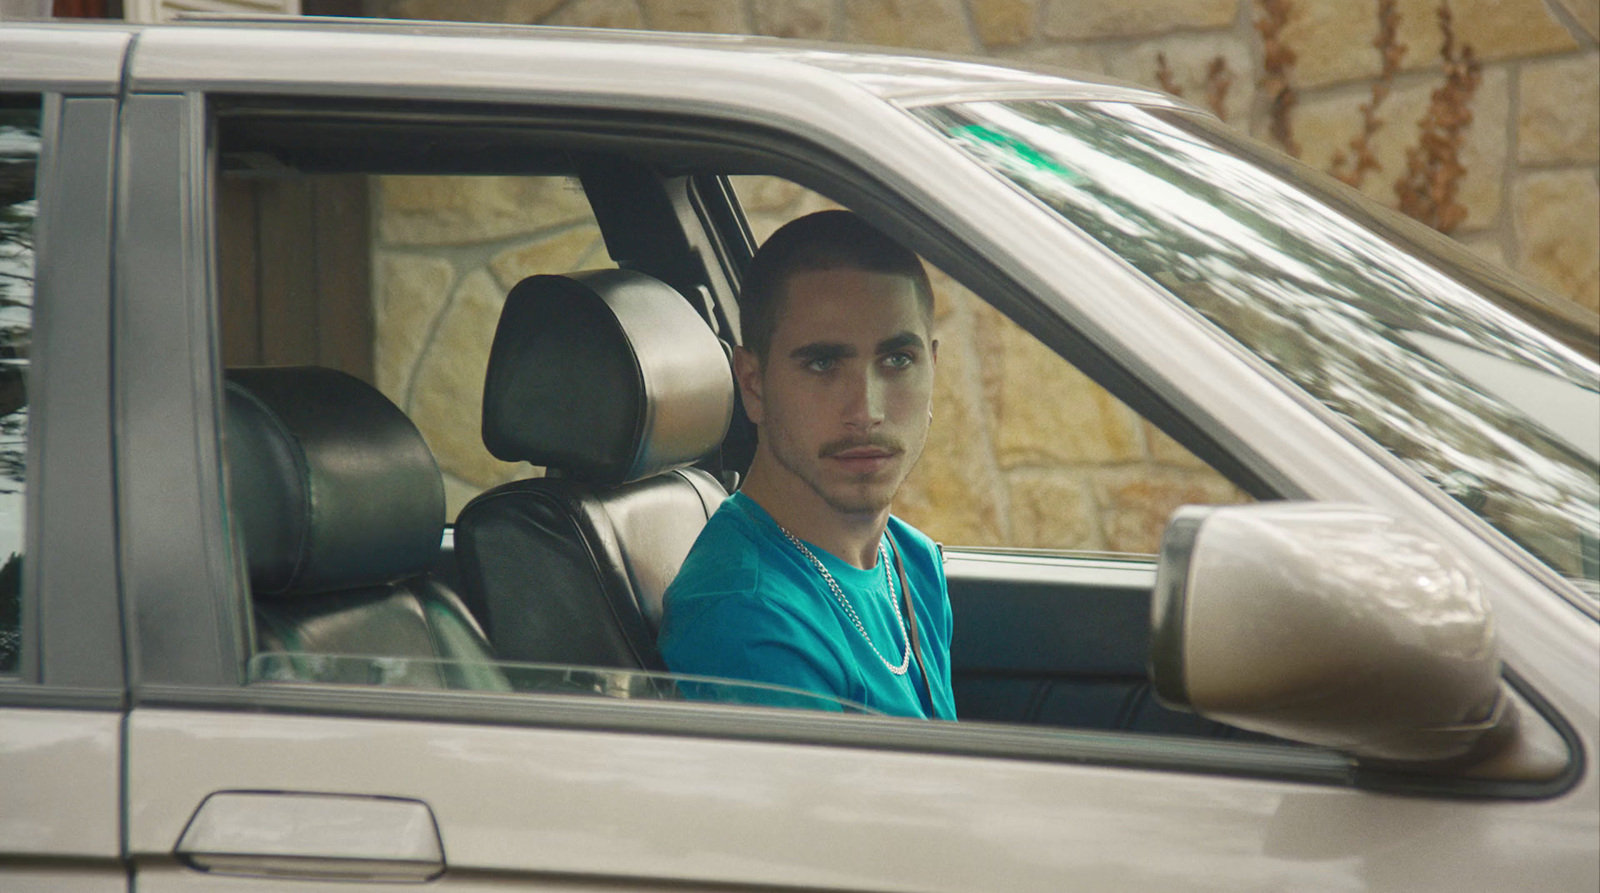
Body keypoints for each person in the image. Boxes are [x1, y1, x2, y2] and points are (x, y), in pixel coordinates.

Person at [657, 210, 956, 720]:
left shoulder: (909, 558)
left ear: (931, 365)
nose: (866, 411)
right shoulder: (748, 618)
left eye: (897, 360)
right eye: (823, 364)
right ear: (754, 384)